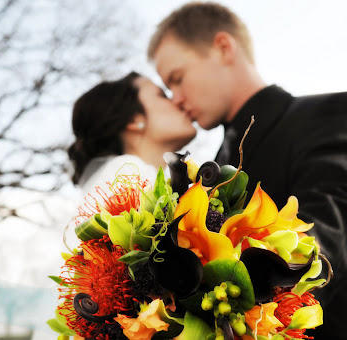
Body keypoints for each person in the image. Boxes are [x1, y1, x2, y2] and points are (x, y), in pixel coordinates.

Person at [147, 2, 347, 339]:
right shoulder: (201, 175)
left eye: (177, 79)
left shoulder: (329, 114)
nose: (176, 99)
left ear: (223, 47)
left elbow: (327, 243)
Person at [68, 71, 196, 194]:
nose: (177, 101)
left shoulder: (128, 178)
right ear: (134, 120)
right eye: (162, 96)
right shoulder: (127, 177)